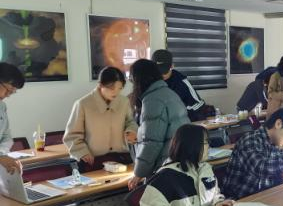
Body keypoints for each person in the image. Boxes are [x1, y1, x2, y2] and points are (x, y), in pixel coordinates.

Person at [0, 63, 41, 206]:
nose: (7, 95)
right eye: (7, 89)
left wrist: (4, 156)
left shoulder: (2, 107)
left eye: (12, 92)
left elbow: (6, 137)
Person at [128, 59, 190, 190]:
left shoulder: (152, 100)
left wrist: (139, 173)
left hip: (164, 168)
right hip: (179, 162)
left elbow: (152, 142)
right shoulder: (169, 93)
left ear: (139, 79)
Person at [221, 108, 283, 199]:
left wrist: (281, 175)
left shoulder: (273, 143)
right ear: (278, 124)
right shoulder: (251, 140)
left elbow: (270, 171)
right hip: (238, 200)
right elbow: (261, 168)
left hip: (261, 197)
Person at [64, 67, 137, 173]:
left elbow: (130, 121)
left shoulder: (124, 101)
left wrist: (131, 130)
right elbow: (72, 135)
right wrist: (82, 152)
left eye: (120, 88)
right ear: (100, 85)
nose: (116, 92)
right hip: (92, 160)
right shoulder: (83, 104)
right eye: (112, 88)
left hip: (121, 158)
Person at [152, 49, 216, 122]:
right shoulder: (149, 82)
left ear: (172, 66)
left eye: (164, 71)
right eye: (158, 72)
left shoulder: (181, 81)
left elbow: (199, 104)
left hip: (179, 122)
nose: (162, 75)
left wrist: (181, 112)